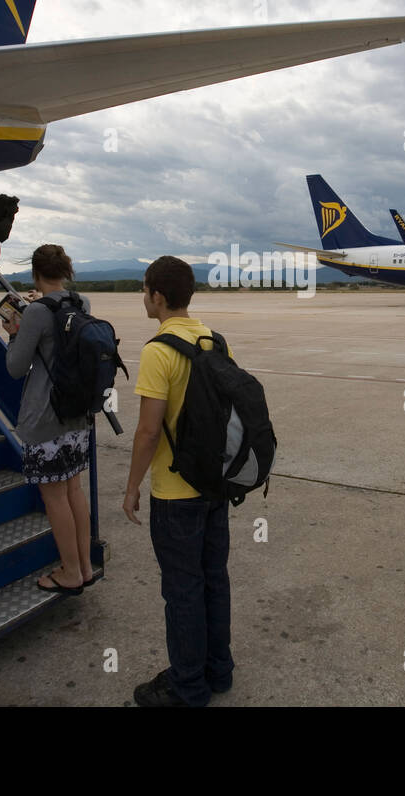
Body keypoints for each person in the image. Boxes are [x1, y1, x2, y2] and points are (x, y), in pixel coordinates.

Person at [124, 255, 235, 707]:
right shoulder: (215, 340)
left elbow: (149, 430)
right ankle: (219, 671)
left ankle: (187, 686)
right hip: (214, 487)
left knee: (182, 591)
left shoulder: (158, 350)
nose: (143, 297)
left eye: (145, 290)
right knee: (214, 580)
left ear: (159, 297)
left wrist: (131, 487)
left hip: (174, 495)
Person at [3, 245, 96, 596]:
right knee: (73, 490)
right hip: (76, 413)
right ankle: (84, 566)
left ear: (36, 274)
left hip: (45, 415)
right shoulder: (82, 303)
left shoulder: (37, 313)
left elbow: (15, 368)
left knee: (54, 497)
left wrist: (15, 330)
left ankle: (70, 572)